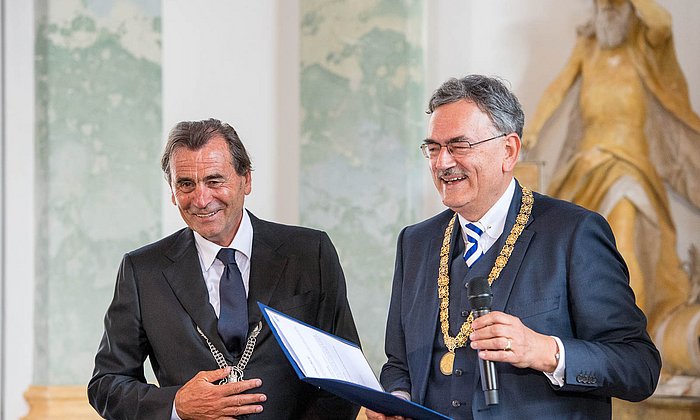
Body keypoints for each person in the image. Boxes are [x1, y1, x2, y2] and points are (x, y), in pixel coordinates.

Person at [366, 75, 661, 420]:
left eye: (459, 145)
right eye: (433, 148)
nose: (442, 163)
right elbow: (399, 363)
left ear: (508, 151)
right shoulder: (415, 242)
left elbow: (639, 366)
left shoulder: (574, 233)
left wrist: (544, 350)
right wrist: (396, 397)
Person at [88, 119, 360, 419]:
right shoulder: (142, 271)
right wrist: (177, 404)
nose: (201, 199)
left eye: (214, 180)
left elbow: (344, 378)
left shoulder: (311, 252)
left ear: (246, 180)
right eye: (186, 184)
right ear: (172, 190)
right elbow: (106, 384)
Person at [524, 0, 700, 375]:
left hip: (630, 166)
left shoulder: (644, 45)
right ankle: (593, 348)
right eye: (602, 5)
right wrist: (533, 128)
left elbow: (662, 23)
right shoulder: (588, 49)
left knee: (625, 244)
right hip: (587, 167)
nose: (606, 11)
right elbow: (558, 87)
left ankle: (633, 347)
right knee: (574, 256)